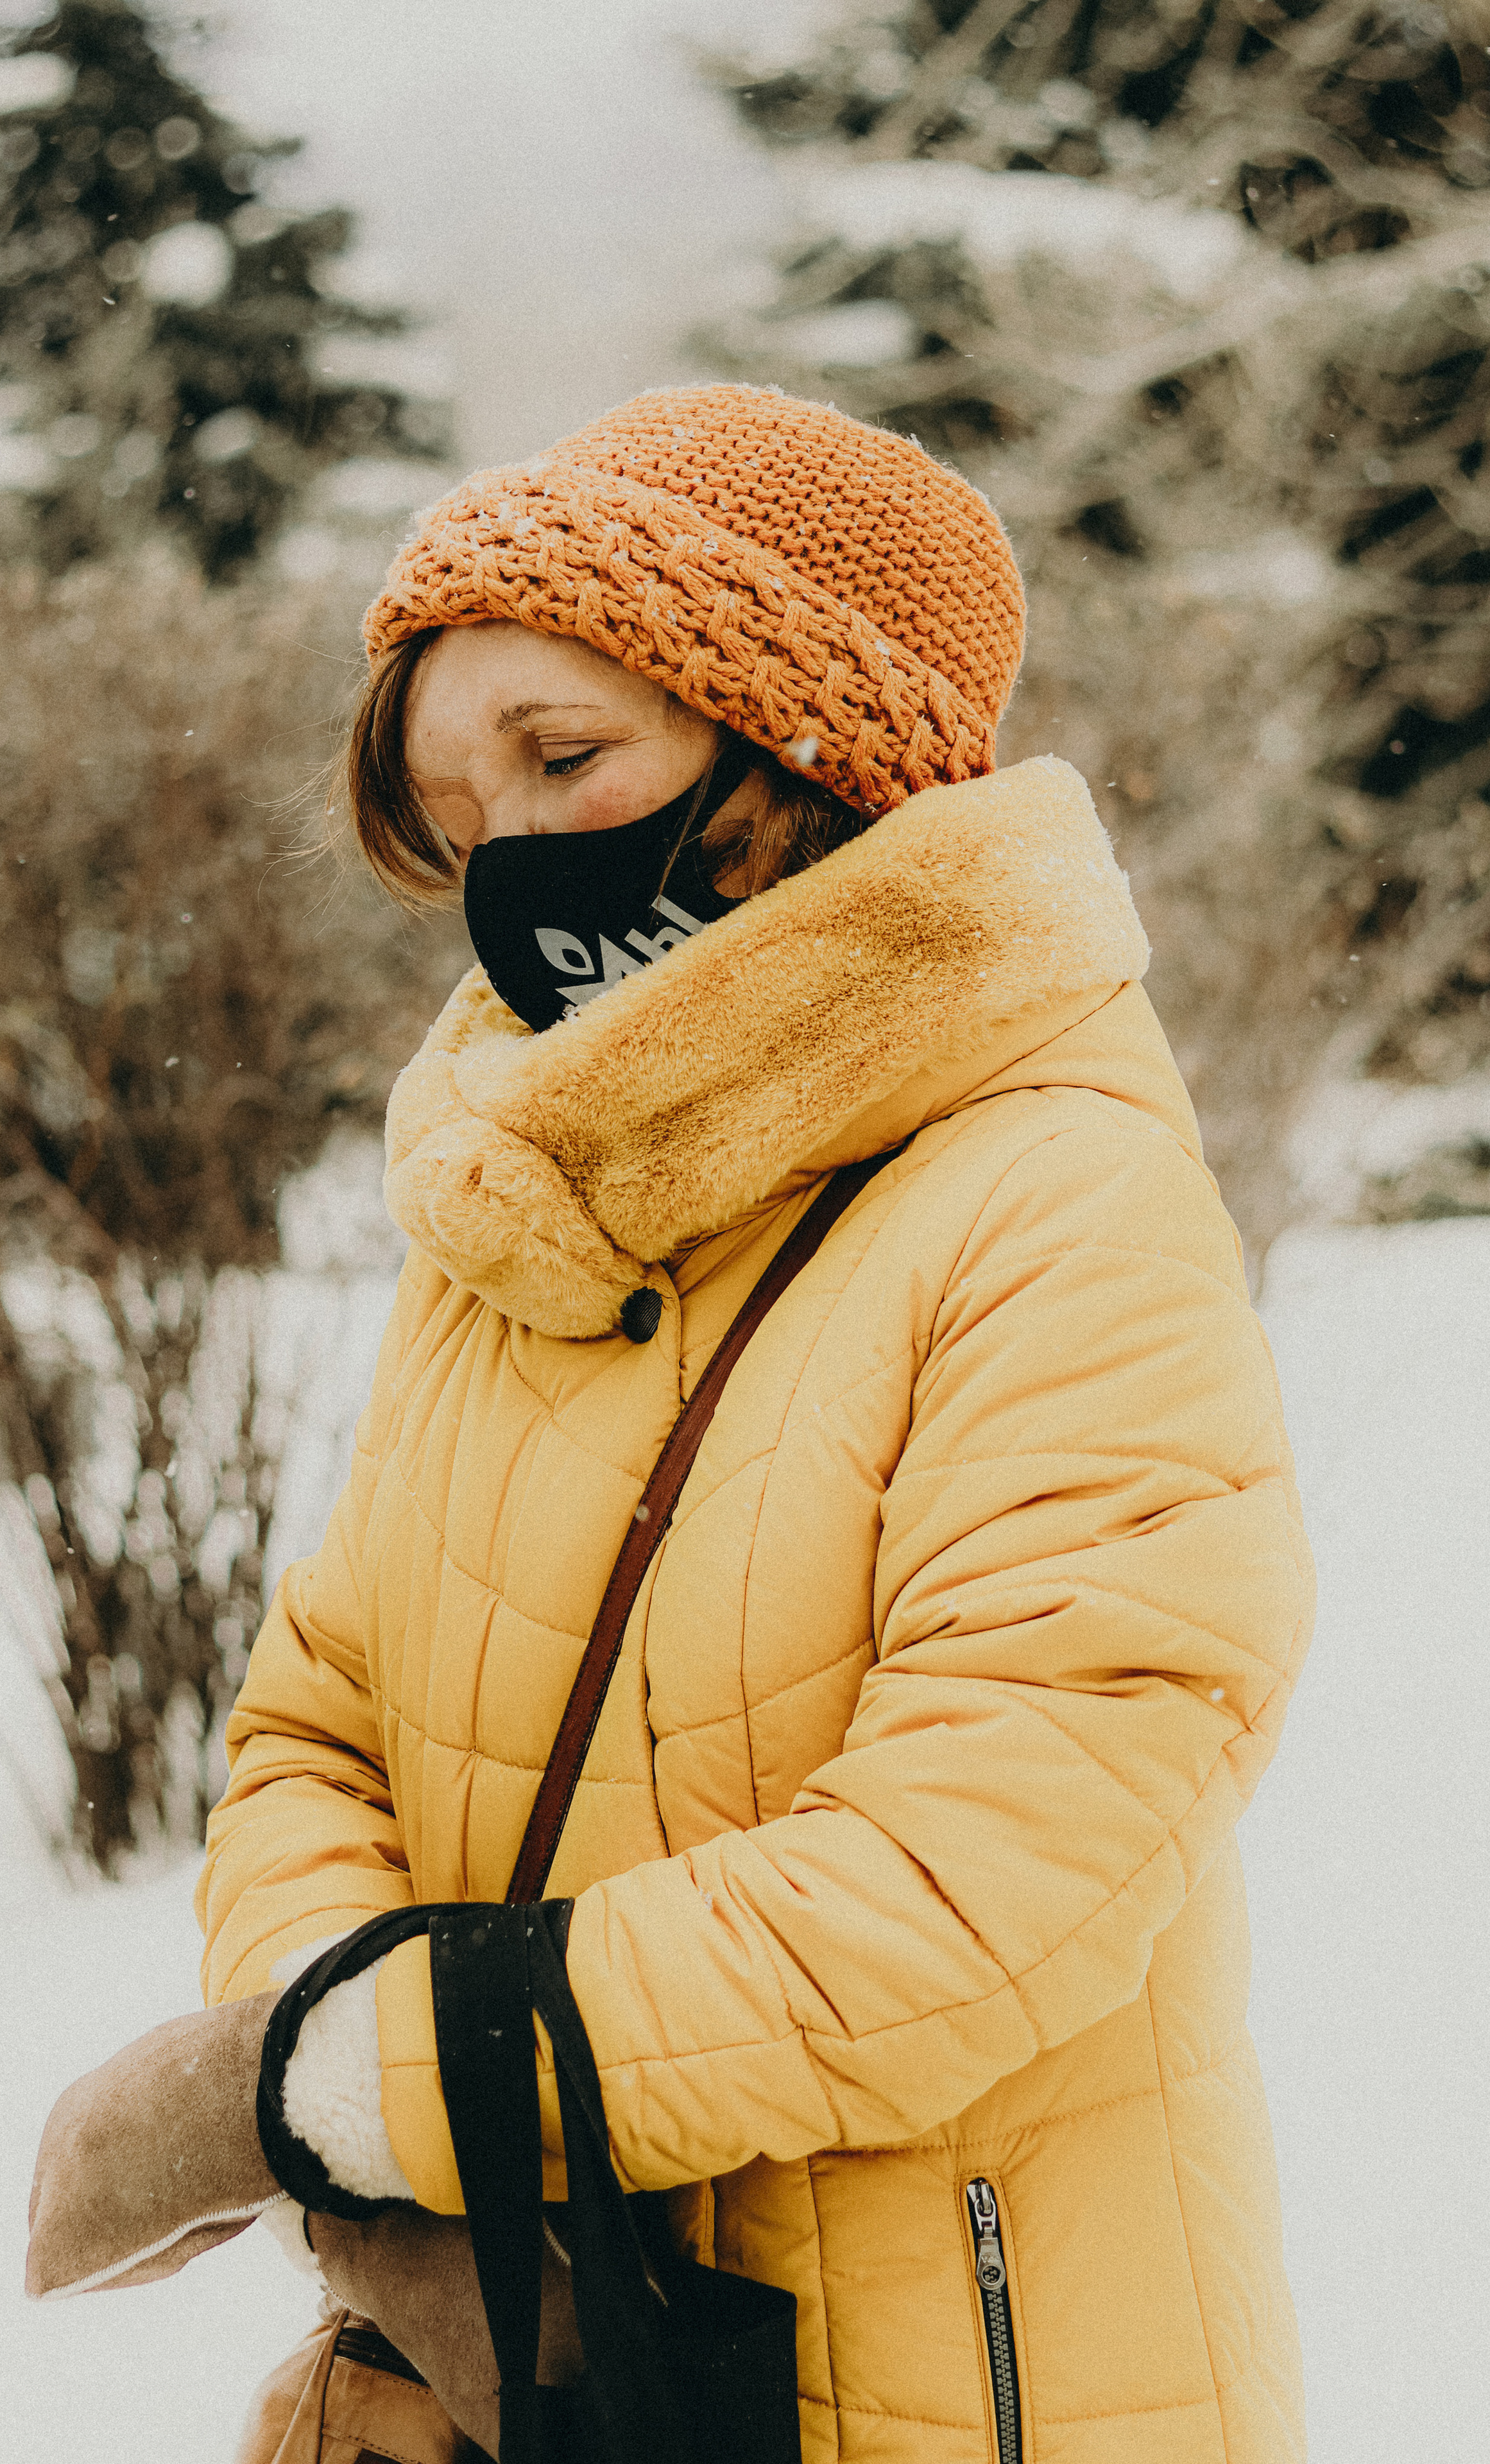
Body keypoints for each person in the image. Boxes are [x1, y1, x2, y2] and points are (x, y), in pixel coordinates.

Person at [195, 384, 1313, 2463]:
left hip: (951, 2382)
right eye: (458, 811)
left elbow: (1010, 1849)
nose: (513, 856)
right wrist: (327, 2025)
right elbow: (313, 1722)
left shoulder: (1049, 1194)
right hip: (521, 2376)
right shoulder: (510, 1211)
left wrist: (422, 2074)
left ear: (816, 750)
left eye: (570, 756)